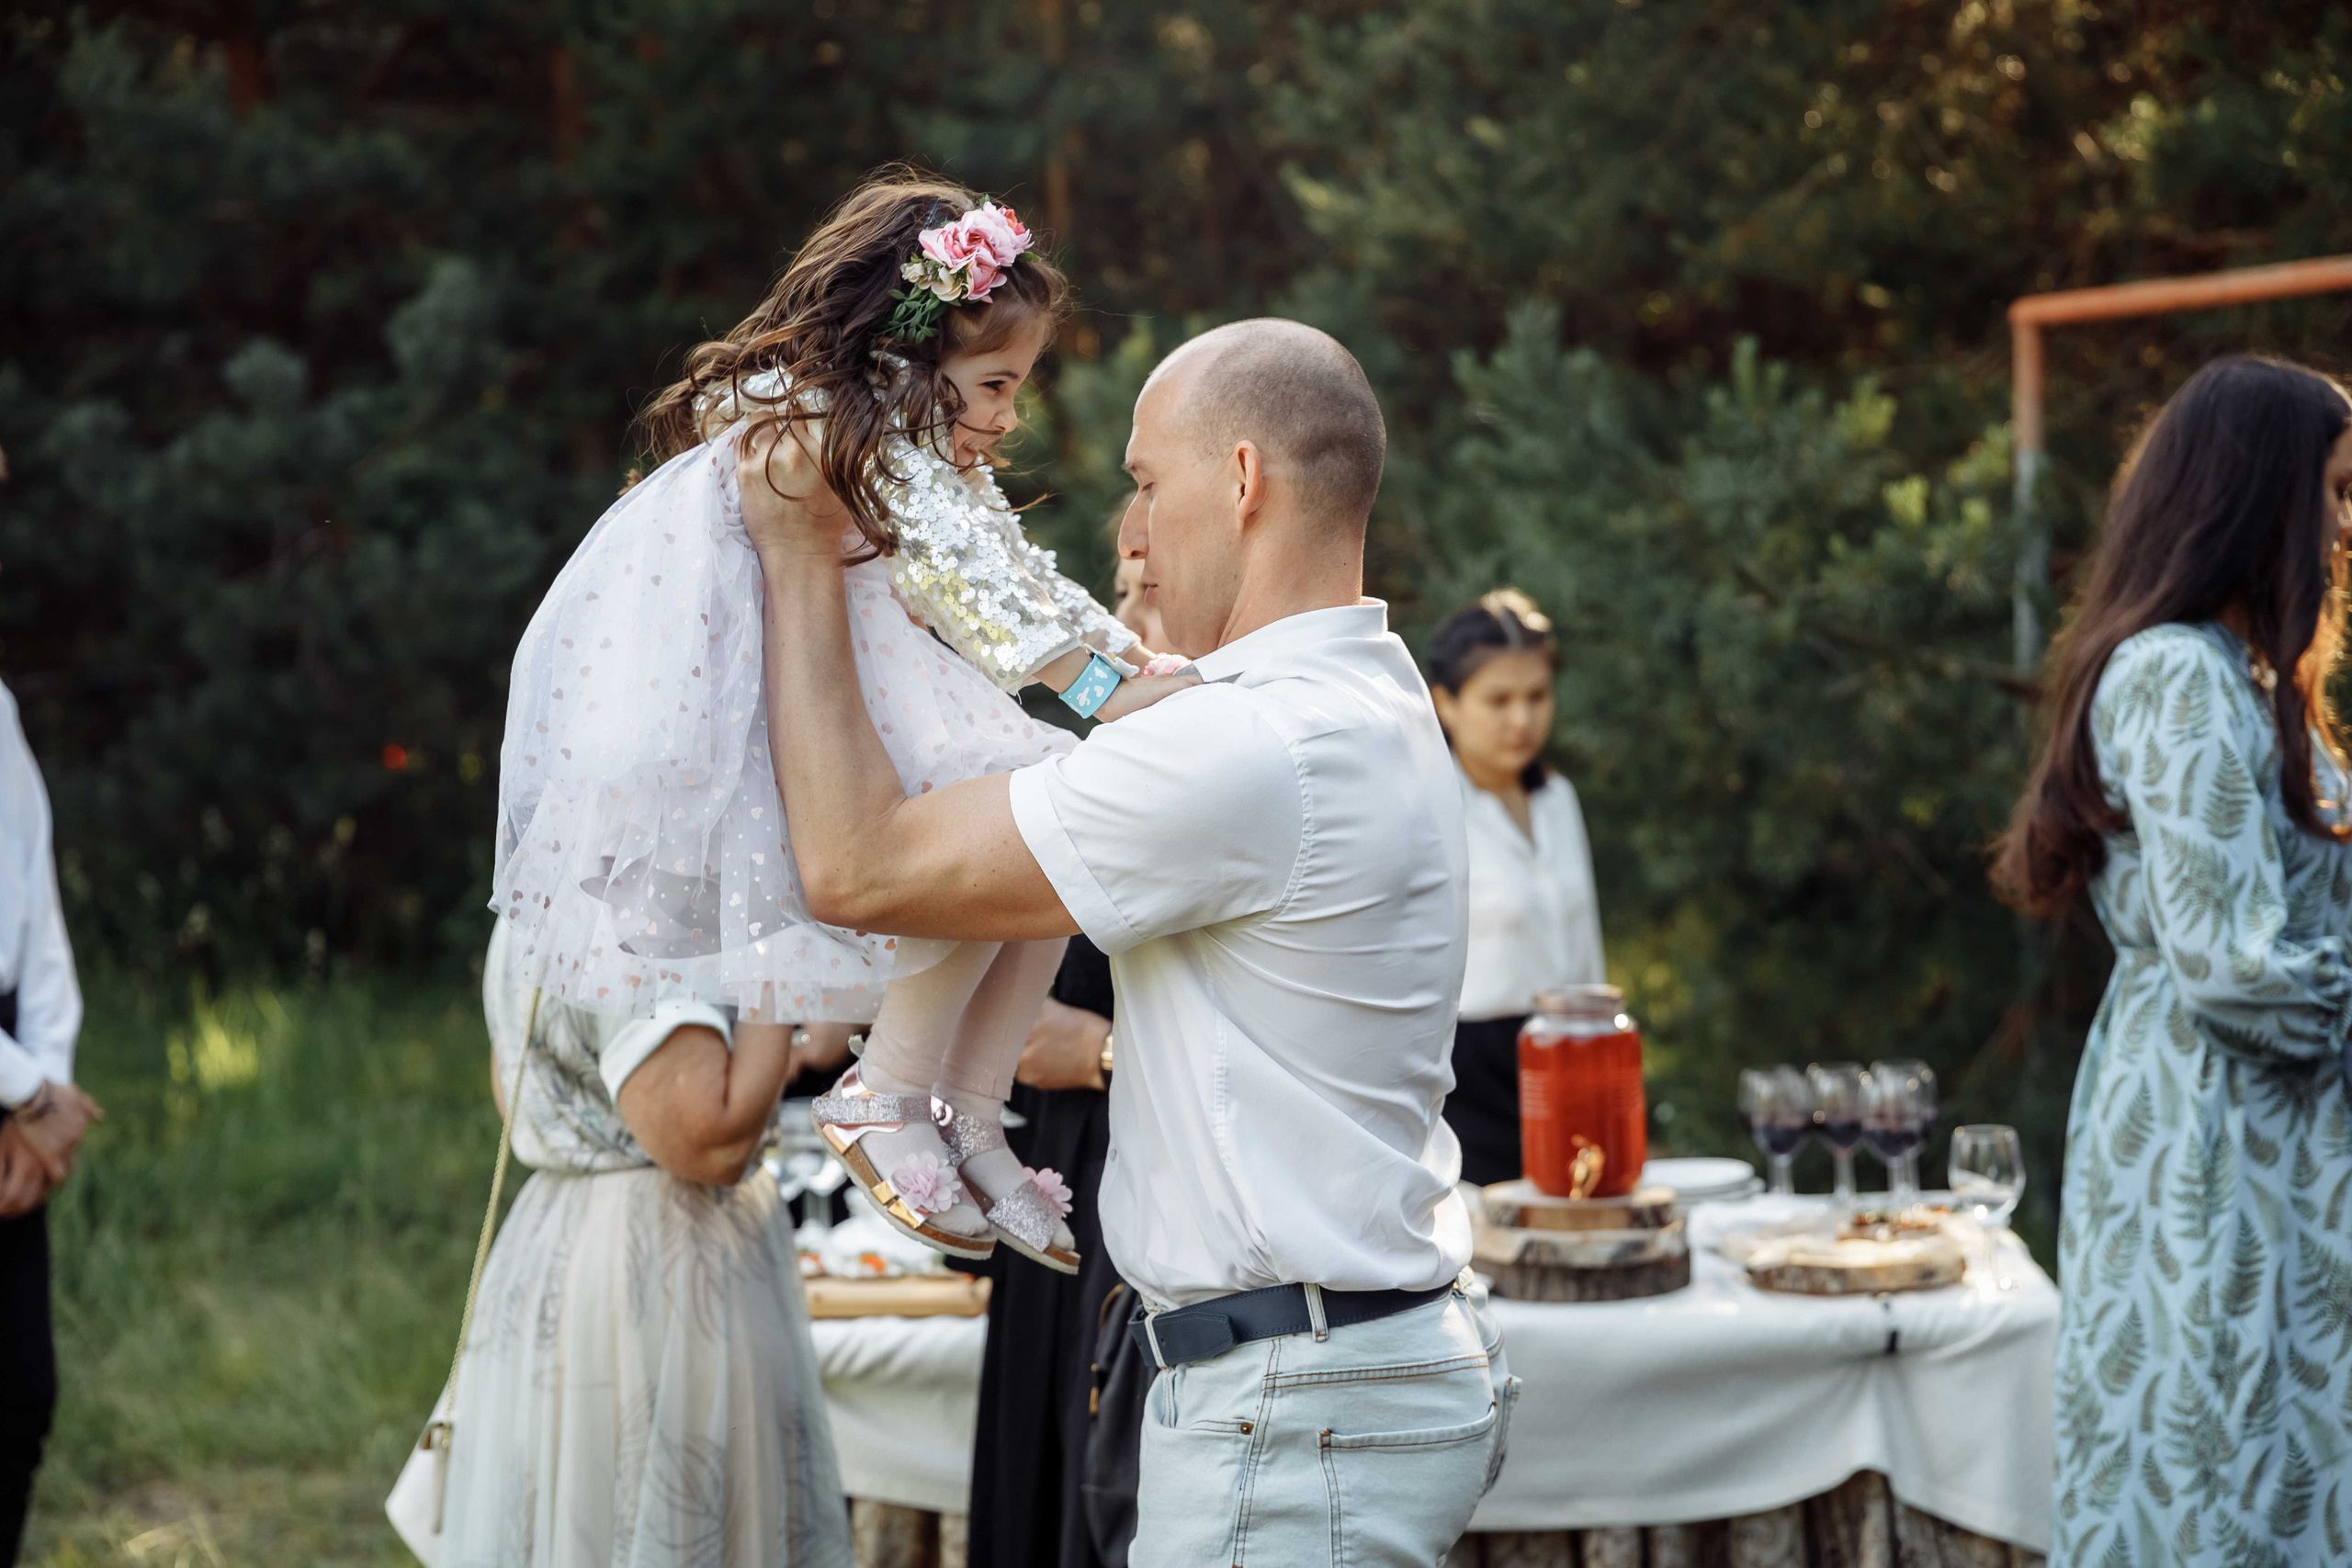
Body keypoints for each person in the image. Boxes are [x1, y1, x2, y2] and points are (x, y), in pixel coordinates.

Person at [740, 318, 1515, 1568]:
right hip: (1335, 1374)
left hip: (1292, 1408)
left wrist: (793, 556)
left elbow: (856, 867)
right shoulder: (1361, 693)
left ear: (1244, 478)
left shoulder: (1254, 745)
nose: (1133, 532)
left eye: (1147, 483)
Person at [492, 173, 1170, 1275]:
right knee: (993, 809)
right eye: (994, 385)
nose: (1008, 416)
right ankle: (887, 1086)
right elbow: (972, 600)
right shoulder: (837, 435)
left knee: (1051, 840)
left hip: (880, 674)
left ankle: (968, 1104)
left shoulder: (917, 442)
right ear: (907, 360)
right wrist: (1111, 693)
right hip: (805, 695)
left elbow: (1021, 579)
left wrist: (1141, 664)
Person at [1992, 355, 2352, 1566]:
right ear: (2260, 494)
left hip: (2270, 1139)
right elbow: (2236, 970)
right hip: (2221, 1143)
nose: (2347, 525)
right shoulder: (2179, 676)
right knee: (2224, 1474)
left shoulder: (2243, 675)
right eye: (2335, 492)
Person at [390, 919, 853, 1568]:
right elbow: (710, 1137)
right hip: (661, 1262)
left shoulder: (545, 884)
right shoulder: (652, 893)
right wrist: (779, 949)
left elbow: (518, 1077)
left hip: (563, 1231)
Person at [967, 554, 1164, 1568]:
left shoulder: (1200, 773)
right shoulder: (1078, 767)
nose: (1128, 621)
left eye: (1151, 594)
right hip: (1048, 1161)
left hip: (1141, 1173)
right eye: (1118, 597)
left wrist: (1103, 1052)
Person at [1426, 589, 1605, 1186]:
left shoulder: (1558, 800)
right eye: (1498, 700)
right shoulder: (1427, 808)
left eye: (1536, 696)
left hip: (1574, 1061)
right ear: (1445, 703)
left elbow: (1586, 949)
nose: (1521, 720)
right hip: (1467, 1083)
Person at [0, 679, 99, 1566]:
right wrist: (24, 1090)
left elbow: (34, 897)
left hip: (17, 1080)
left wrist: (48, 1092)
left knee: (19, 1396)